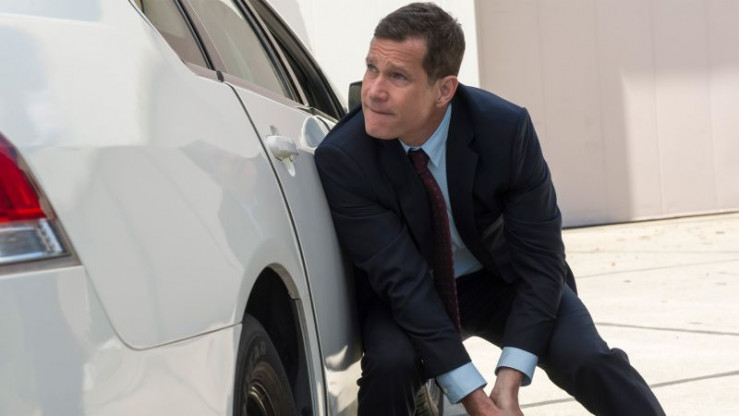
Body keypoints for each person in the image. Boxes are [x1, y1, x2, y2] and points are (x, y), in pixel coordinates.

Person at [314, 3, 665, 415]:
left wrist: (510, 379)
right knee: (390, 366)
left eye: (398, 76)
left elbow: (542, 260)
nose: (373, 90)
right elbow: (402, 282)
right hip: (412, 291)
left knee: (590, 359)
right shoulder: (344, 157)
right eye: (372, 68)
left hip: (501, 280)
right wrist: (474, 399)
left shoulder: (504, 129)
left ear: (444, 90)